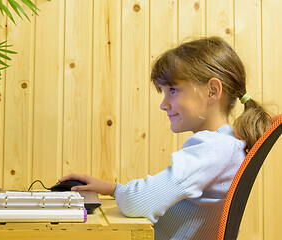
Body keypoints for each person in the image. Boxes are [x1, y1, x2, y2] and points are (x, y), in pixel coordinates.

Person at [59, 36, 271, 239]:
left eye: (173, 90)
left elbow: (137, 202)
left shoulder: (213, 148)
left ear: (212, 90)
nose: (163, 104)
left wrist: (122, 192)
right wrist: (113, 189)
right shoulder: (226, 145)